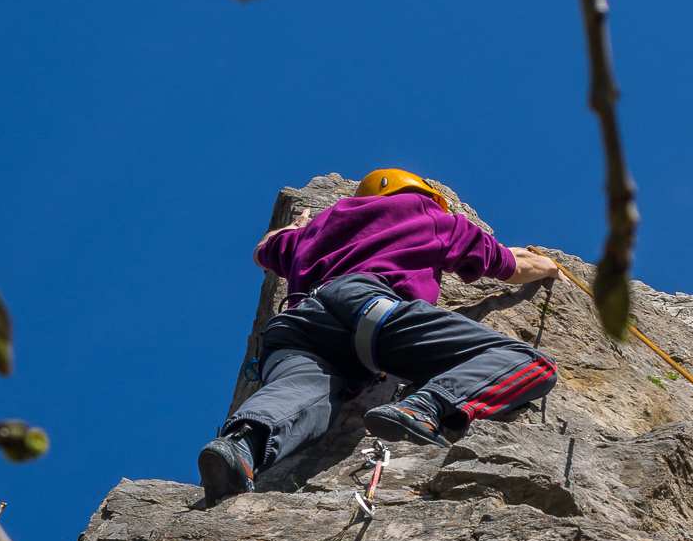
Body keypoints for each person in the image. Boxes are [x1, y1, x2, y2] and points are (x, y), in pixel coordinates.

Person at [198, 170, 561, 503]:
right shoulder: (432, 216)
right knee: (530, 363)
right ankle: (425, 407)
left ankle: (239, 449)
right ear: (424, 194)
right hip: (367, 307)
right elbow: (509, 265)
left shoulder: (316, 230)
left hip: (296, 326)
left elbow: (264, 251)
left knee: (301, 391)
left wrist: (293, 228)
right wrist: (546, 265)